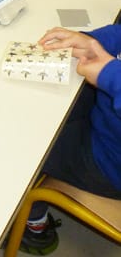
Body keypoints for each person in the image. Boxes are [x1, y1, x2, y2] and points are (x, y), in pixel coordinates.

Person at [16, 24, 121, 254]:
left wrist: (110, 75)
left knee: (22, 138)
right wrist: (90, 41)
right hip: (107, 118)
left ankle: (35, 229)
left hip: (106, 163)